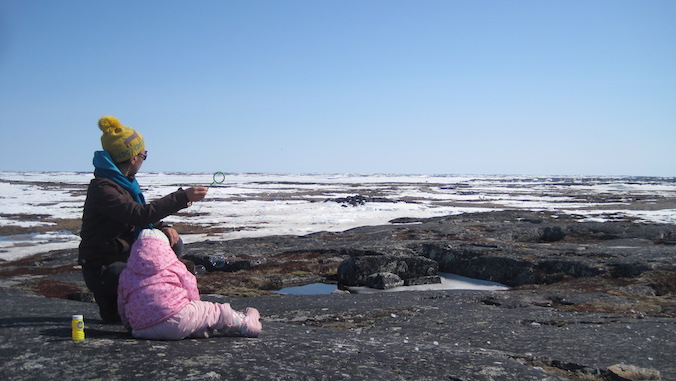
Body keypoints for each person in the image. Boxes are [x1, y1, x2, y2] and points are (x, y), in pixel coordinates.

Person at [79, 115, 208, 323]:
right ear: (132, 158)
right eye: (143, 155)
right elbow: (138, 214)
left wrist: (164, 227)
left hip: (126, 257)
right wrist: (183, 197)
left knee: (173, 242)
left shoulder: (123, 182)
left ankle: (155, 298)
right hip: (104, 267)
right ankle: (128, 298)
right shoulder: (104, 189)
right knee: (116, 308)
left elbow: (138, 215)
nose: (143, 159)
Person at [118, 229, 261, 339]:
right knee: (214, 311)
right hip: (177, 321)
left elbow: (122, 302)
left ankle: (197, 329)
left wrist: (129, 326)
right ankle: (246, 324)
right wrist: (197, 307)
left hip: (141, 330)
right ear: (165, 247)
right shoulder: (174, 265)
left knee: (190, 320)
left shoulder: (127, 273)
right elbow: (190, 285)